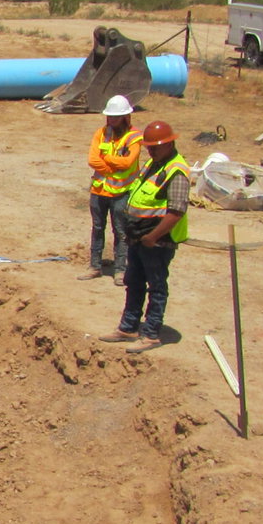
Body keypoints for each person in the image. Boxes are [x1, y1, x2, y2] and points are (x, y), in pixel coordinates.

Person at [102, 119, 189, 354]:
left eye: (155, 147)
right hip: (139, 236)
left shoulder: (176, 171)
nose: (151, 150)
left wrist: (153, 236)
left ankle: (151, 333)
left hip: (158, 240)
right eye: (149, 147)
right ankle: (128, 327)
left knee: (156, 285)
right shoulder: (153, 164)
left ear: (169, 144)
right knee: (134, 281)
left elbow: (177, 211)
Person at [80, 95, 142, 285]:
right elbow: (92, 159)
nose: (111, 120)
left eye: (115, 117)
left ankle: (120, 270)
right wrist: (111, 167)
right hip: (99, 192)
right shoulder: (101, 133)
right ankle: (95, 266)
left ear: (125, 117)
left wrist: (106, 159)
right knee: (97, 229)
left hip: (122, 193)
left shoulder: (133, 137)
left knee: (121, 231)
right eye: (109, 117)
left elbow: (128, 162)